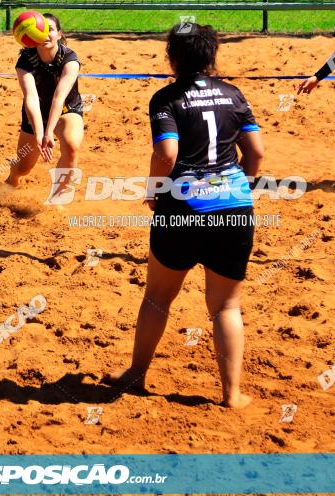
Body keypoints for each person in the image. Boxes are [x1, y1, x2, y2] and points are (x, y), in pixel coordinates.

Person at [108, 23, 264, 409]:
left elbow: (167, 156)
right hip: (234, 211)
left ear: (172, 58)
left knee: (158, 298)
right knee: (226, 307)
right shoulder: (234, 94)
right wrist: (236, 188)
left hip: (182, 209)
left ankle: (136, 375)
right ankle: (232, 394)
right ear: (212, 56)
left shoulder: (165, 98)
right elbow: (257, 155)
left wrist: (153, 191)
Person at [4, 13, 84, 203]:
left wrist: (49, 132)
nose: (45, 34)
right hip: (36, 113)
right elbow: (31, 98)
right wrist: (40, 134)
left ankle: (57, 199)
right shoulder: (25, 61)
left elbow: (59, 97)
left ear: (59, 34)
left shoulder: (70, 59)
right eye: (40, 30)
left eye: (50, 29)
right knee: (23, 167)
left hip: (66, 109)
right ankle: (12, 179)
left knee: (71, 146)